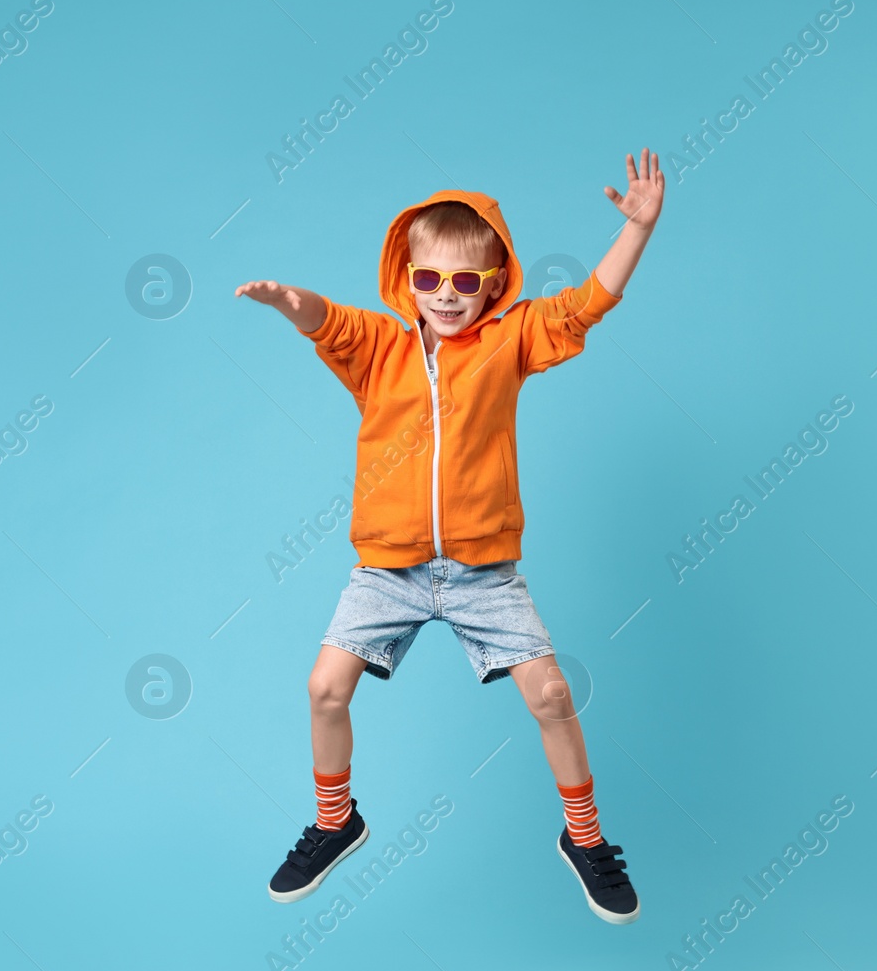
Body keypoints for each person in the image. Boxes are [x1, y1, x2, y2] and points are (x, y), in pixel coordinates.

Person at [234, 149, 664, 923]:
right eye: (429, 278)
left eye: (466, 281)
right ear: (407, 278)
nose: (446, 295)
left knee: (554, 694)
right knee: (323, 687)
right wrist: (288, 300)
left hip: (483, 572)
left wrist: (636, 230)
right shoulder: (381, 349)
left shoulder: (511, 341)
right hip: (388, 570)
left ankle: (586, 839)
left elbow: (588, 303)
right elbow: (322, 318)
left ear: (496, 282)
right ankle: (338, 822)